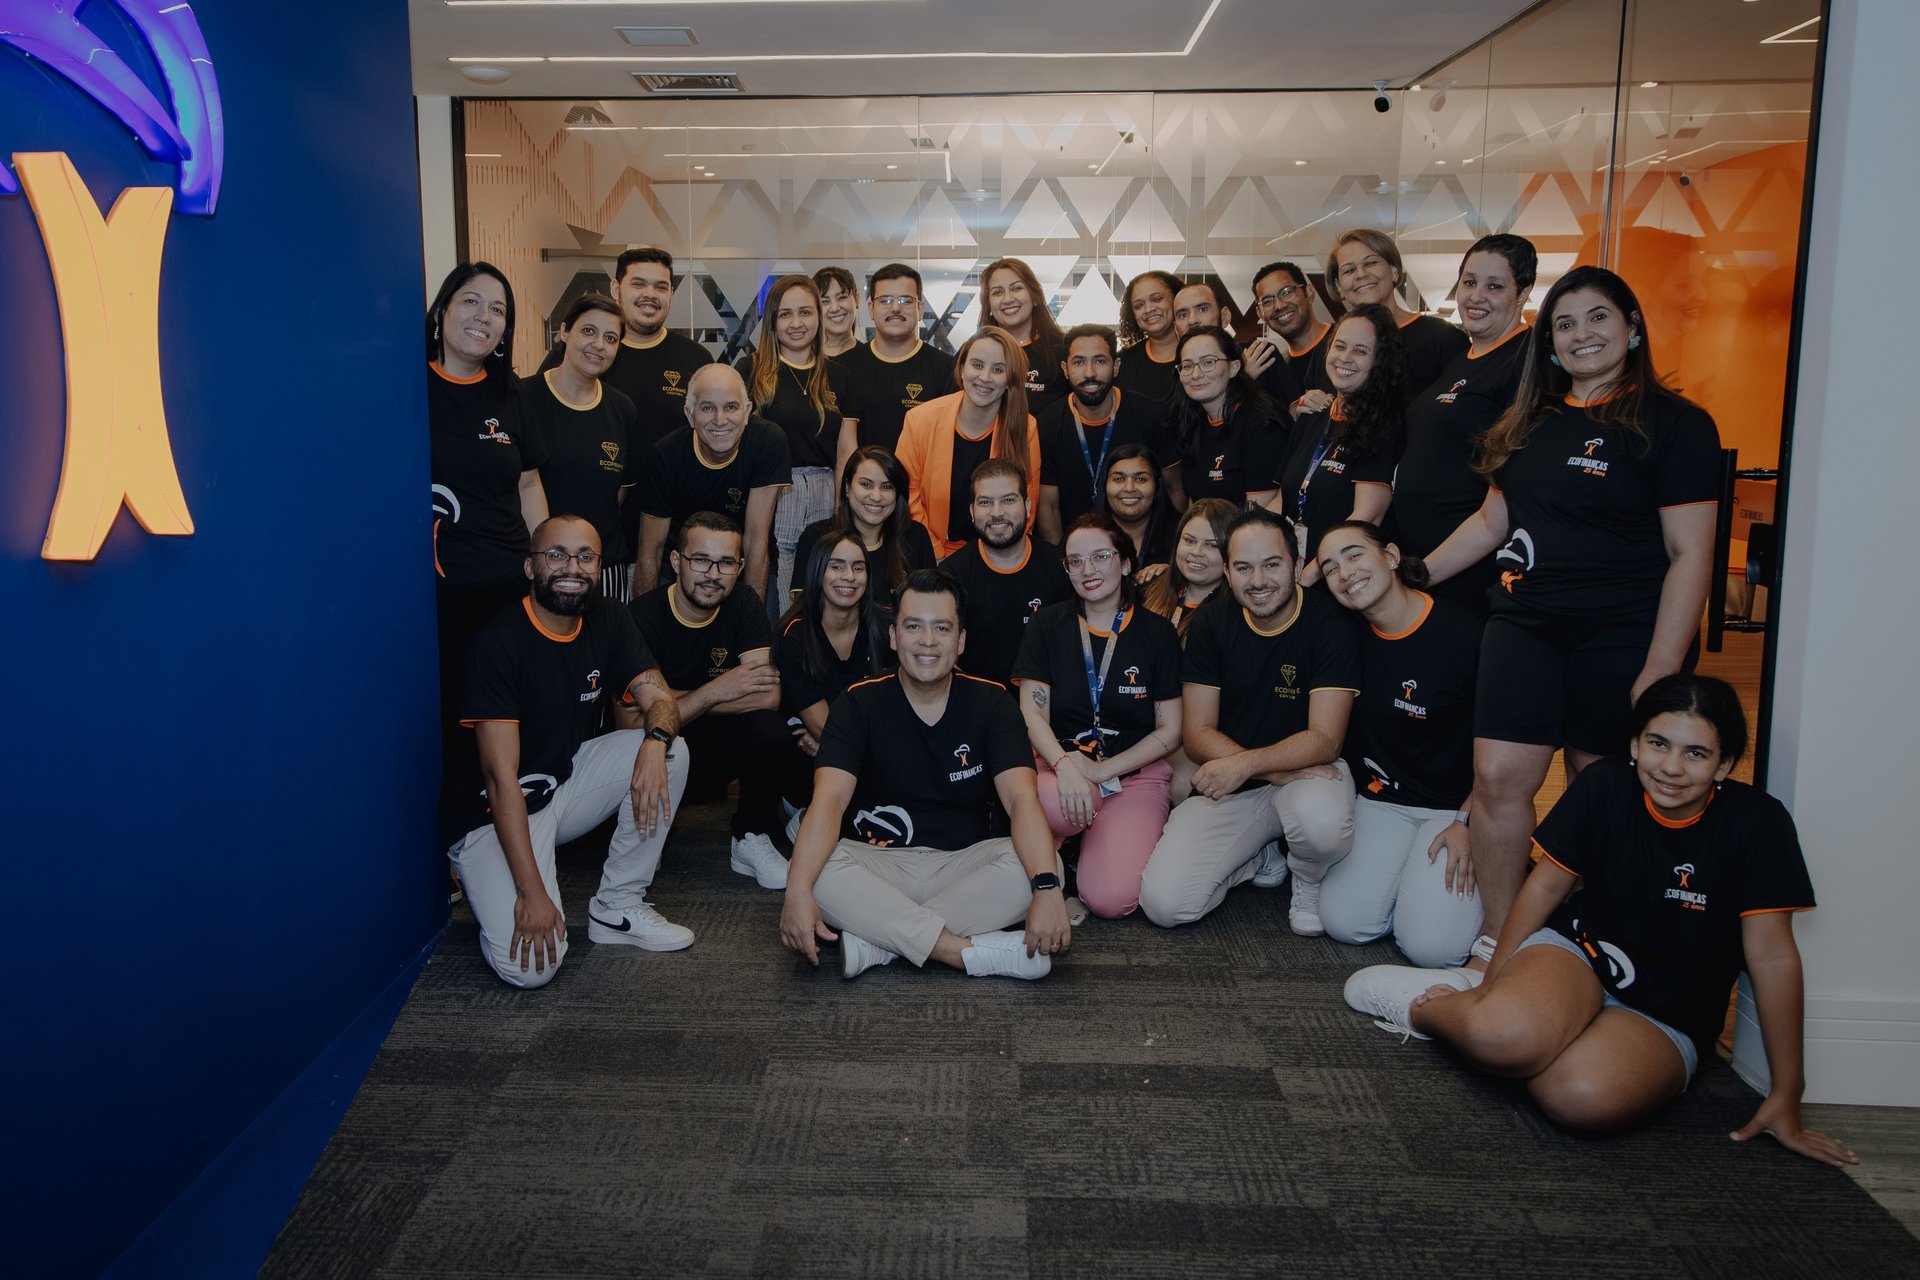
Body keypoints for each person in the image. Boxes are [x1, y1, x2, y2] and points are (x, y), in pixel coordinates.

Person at [1344, 676, 1859, 1168]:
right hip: (1577, 956)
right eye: (1658, 744)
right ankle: (1432, 1007)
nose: (1672, 767)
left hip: (1667, 1014)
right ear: (1635, 744)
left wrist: (1788, 1091)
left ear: (1724, 765)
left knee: (1577, 1099)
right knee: (1502, 1036)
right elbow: (1545, 886)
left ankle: (1535, 1030)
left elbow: (1772, 958)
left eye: (1696, 753)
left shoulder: (1759, 824)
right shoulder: (1607, 783)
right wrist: (1489, 982)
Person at [1422, 264, 1722, 984]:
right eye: (1565, 323)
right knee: (1496, 780)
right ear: (1549, 343)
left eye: (1598, 319)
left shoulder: (1677, 424)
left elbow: (1691, 556)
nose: (1582, 334)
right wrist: (1418, 572)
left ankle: (1599, 940)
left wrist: (1660, 668)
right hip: (1524, 624)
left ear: (1632, 328)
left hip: (1622, 634)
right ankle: (1500, 940)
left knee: (1600, 787)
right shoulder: (1532, 418)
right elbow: (1494, 520)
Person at [778, 569, 1073, 981]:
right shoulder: (857, 702)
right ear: (894, 636)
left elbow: (1022, 800)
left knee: (1046, 870)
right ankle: (961, 950)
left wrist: (1045, 888)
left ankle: (877, 941)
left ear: (961, 640)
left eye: (942, 628)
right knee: (815, 872)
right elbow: (829, 801)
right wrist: (796, 889)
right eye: (913, 626)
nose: (928, 642)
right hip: (879, 864)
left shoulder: (993, 701)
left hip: (966, 864)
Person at [448, 515, 691, 989]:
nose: (571, 567)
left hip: (559, 784)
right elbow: (500, 780)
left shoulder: (609, 618)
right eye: (556, 554)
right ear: (530, 566)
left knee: (672, 753)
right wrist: (531, 894)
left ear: (599, 566)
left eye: (585, 556)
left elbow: (660, 699)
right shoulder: (499, 642)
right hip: (491, 813)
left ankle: (616, 907)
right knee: (531, 969)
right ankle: (486, 885)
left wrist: (653, 742)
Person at [1139, 508, 1358, 934]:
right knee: (1165, 906)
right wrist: (1260, 769)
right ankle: (1255, 854)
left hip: (1306, 778)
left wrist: (1248, 765)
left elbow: (1325, 739)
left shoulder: (1330, 623)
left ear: (1296, 563)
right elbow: (1197, 734)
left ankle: (1307, 879)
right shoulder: (1211, 622)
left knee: (1320, 822)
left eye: (1272, 564)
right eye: (1243, 567)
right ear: (1227, 570)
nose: (1258, 581)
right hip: (1239, 784)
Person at [1313, 521, 1485, 967]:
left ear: (1391, 556)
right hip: (1382, 801)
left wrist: (1472, 821)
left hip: (1455, 809)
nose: (1344, 573)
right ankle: (1412, 892)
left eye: (1354, 555)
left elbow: (1509, 756)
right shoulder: (1342, 637)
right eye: (1330, 567)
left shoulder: (1470, 634)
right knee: (1345, 923)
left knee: (1433, 950)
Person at [1013, 514, 1183, 919]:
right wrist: (1065, 764)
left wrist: (1103, 770)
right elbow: (1032, 712)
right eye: (1075, 561)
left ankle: (1081, 858)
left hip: (1131, 775)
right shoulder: (1047, 625)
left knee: (1112, 900)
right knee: (1057, 804)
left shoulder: (1158, 635)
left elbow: (1171, 730)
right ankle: (1058, 854)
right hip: (1061, 768)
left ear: (1125, 563)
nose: (1087, 570)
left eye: (1100, 556)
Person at [427, 263, 547, 806]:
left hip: (505, 584)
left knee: (503, 713)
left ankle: (506, 828)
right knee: (444, 715)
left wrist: (545, 559)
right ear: (443, 310)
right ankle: (453, 840)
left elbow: (527, 484)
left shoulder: (512, 394)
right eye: (471, 302)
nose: (484, 317)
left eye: (498, 309)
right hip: (437, 589)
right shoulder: (410, 386)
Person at [629, 511, 793, 890]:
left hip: (717, 754)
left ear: (739, 567)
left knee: (771, 730)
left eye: (726, 563)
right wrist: (718, 689)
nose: (713, 574)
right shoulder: (641, 617)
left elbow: (768, 694)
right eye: (701, 559)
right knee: (637, 739)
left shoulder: (743, 604)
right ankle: (641, 841)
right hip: (659, 757)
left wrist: (669, 702)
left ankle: (750, 836)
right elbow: (629, 721)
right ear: (676, 561)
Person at [1394, 234, 1536, 613]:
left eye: (1494, 286)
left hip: (1467, 571)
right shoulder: (1464, 356)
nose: (1476, 296)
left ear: (1523, 292)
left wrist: (1425, 573)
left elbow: (1503, 507)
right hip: (1426, 563)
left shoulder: (1526, 364)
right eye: (1470, 282)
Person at [601, 245, 719, 586]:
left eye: (661, 287)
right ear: (615, 288)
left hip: (678, 551)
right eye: (639, 284)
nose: (650, 295)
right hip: (601, 545)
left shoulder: (695, 359)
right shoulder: (590, 354)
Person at [737, 274, 850, 612]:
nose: (796, 323)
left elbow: (846, 451)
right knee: (775, 594)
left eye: (805, 312)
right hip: (771, 493)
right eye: (785, 314)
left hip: (825, 491)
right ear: (772, 320)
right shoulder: (751, 371)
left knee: (823, 585)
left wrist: (840, 511)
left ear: (819, 315)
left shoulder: (839, 374)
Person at [633, 364, 789, 600]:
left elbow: (756, 540)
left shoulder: (767, 442)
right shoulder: (665, 456)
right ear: (690, 414)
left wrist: (753, 617)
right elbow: (650, 551)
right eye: (707, 408)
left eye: (731, 407)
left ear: (747, 412)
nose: (720, 420)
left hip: (744, 564)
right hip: (681, 566)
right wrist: (643, 622)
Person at [522, 294, 641, 602]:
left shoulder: (622, 409)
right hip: (539, 563)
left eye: (610, 338)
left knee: (606, 648)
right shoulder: (523, 398)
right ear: (564, 332)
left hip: (603, 566)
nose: (599, 344)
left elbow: (618, 492)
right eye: (588, 331)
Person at [1273, 304, 1406, 578]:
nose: (1344, 358)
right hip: (1292, 571)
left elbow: (1366, 517)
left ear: (1380, 362)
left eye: (1360, 351)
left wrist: (1308, 578)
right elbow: (1282, 498)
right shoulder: (1313, 416)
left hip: (1341, 577)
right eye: (1340, 346)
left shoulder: (1385, 425)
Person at [896, 325, 1041, 558]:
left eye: (997, 369)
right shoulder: (919, 420)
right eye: (977, 365)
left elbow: (1026, 505)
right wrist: (935, 553)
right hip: (930, 553)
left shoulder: (1025, 427)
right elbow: (906, 495)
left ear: (1010, 379)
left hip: (997, 554)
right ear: (962, 369)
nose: (985, 377)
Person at [776, 531, 894, 812]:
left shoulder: (884, 626)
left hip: (866, 750)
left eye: (858, 567)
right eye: (837, 566)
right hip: (814, 761)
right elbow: (822, 727)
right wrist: (834, 745)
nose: (849, 577)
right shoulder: (795, 636)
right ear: (818, 571)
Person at [1035, 323, 1176, 543]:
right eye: (1079, 362)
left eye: (1099, 361)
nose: (1089, 373)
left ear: (1116, 366)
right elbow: (1048, 507)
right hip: (1077, 554)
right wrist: (1061, 564)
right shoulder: (1047, 424)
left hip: (1146, 550)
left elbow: (1173, 491)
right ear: (1065, 368)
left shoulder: (1152, 416)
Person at [938, 458, 1071, 686]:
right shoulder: (951, 574)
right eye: (985, 502)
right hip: (979, 705)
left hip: (1050, 703)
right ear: (972, 511)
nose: (996, 513)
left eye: (1008, 500)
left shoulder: (1060, 567)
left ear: (1028, 507)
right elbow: (944, 654)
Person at [835, 263, 954, 467]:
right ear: (871, 308)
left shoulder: (946, 369)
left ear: (920, 308)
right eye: (886, 300)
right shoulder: (842, 368)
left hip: (922, 491)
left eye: (906, 300)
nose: (896, 308)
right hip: (862, 492)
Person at [1325, 229, 1468, 400]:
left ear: (1394, 271)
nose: (1361, 274)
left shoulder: (1443, 338)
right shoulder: (1333, 348)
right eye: (1348, 270)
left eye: (1370, 263)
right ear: (1339, 286)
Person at [794, 445, 937, 601]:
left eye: (887, 487)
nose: (876, 496)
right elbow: (805, 612)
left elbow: (931, 605)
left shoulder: (915, 537)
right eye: (866, 485)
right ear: (848, 487)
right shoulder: (816, 538)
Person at [1169, 325, 1286, 509]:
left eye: (1208, 362)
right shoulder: (1191, 424)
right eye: (1187, 366)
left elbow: (1258, 513)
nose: (1196, 374)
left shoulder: (1262, 424)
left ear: (1233, 368)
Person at [1173, 279, 1299, 408]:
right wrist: (1243, 378)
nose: (1192, 320)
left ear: (1225, 316)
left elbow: (1293, 415)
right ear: (1176, 329)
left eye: (1203, 309)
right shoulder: (1178, 371)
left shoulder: (1261, 354)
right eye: (1183, 314)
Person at [980, 257, 1069, 416]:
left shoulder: (1063, 350)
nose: (1007, 299)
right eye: (997, 292)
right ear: (989, 306)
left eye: (1016, 288)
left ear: (1035, 297)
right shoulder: (975, 353)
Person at [1141, 498, 1236, 640]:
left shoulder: (1236, 611)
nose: (1196, 552)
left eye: (1212, 545)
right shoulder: (1148, 587)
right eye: (1189, 540)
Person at [1250, 260, 1334, 419]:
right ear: (1260, 313)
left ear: (1309, 292)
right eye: (1267, 301)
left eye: (1286, 291)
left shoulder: (1344, 342)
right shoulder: (1276, 370)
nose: (1279, 306)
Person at [1100, 443, 1178, 576]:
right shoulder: (1084, 536)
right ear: (1105, 486)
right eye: (1118, 479)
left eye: (1141, 479)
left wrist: (1172, 578)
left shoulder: (1182, 536)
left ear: (1157, 487)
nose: (1129, 488)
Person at [1115, 269, 1184, 405]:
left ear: (1176, 300)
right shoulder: (1123, 363)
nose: (1148, 309)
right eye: (1139, 305)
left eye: (1157, 299)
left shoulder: (1200, 354)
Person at [813, 266, 860, 358]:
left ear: (857, 298)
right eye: (825, 301)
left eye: (842, 297)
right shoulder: (803, 359)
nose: (834, 308)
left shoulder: (871, 358)